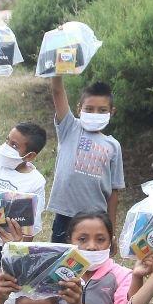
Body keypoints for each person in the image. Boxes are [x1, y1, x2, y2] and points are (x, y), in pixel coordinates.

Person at [0, 60, 48, 266]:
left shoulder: (36, 182)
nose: (7, 146)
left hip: (5, 248)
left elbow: (30, 229)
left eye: (14, 145)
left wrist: (19, 256)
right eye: (7, 140)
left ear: (30, 156)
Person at [46, 77, 124, 242]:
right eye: (89, 109)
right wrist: (57, 69)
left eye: (102, 110)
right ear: (79, 109)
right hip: (65, 217)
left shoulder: (113, 146)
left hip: (97, 220)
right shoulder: (69, 127)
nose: (95, 114)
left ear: (112, 112)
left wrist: (111, 232)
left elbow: (114, 192)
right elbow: (57, 91)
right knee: (61, 258)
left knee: (92, 258)